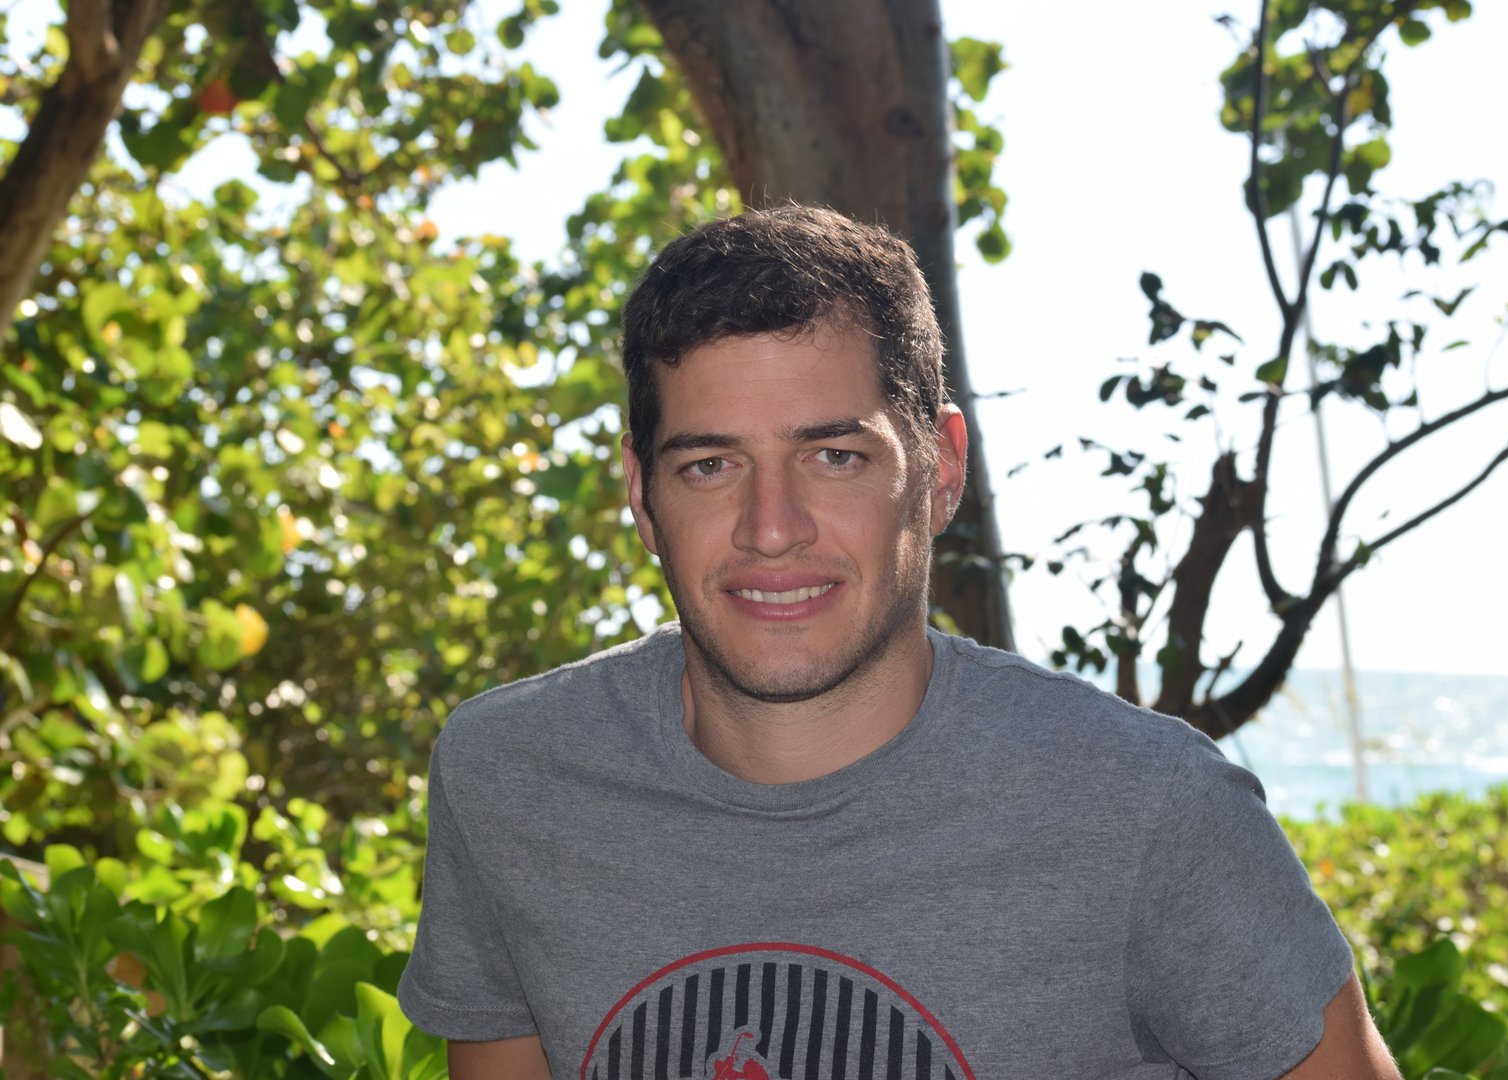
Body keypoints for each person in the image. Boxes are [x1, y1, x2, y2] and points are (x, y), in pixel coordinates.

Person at [398, 206, 1400, 1080]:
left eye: (834, 456)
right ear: (643, 497)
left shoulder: (1145, 811)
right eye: (709, 466)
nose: (772, 526)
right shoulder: (511, 780)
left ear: (942, 470)